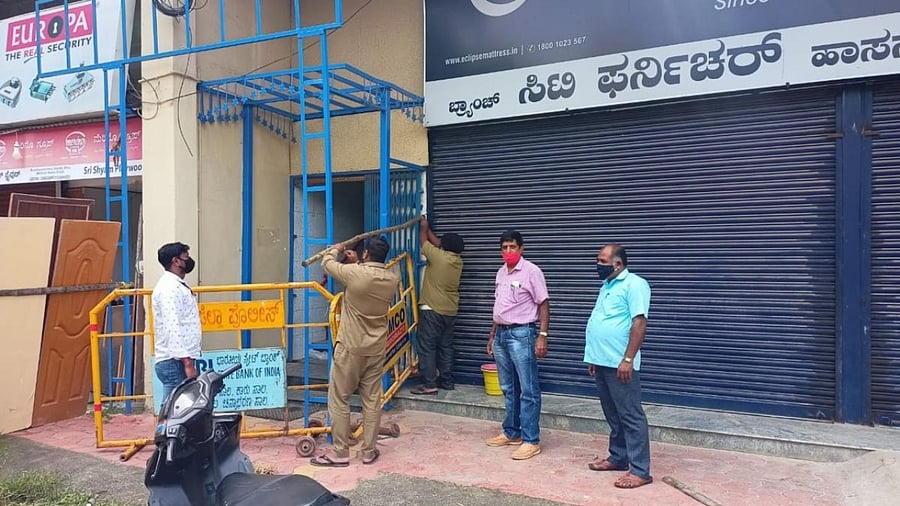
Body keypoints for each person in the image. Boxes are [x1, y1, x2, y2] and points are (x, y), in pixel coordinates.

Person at [311, 237, 400, 467]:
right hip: (376, 347)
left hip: (351, 346)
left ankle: (340, 453)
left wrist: (337, 249)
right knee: (371, 401)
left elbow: (327, 263)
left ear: (366, 254)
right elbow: (366, 278)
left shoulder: (356, 274)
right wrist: (357, 263)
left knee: (340, 398)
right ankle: (368, 451)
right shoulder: (392, 279)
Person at [584, 244, 653, 489]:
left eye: (602, 261)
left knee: (631, 415)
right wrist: (592, 356)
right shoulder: (607, 285)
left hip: (620, 363)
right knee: (613, 413)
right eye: (597, 260)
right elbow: (602, 320)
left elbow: (639, 323)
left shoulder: (635, 284)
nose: (598, 265)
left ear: (618, 264)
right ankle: (618, 456)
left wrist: (628, 359)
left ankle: (640, 470)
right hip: (601, 360)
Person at [485, 229, 549, 461]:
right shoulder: (501, 273)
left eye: (512, 247)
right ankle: (511, 431)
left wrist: (542, 334)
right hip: (502, 334)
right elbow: (499, 307)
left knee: (528, 389)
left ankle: (531, 440)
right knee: (509, 388)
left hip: (523, 334)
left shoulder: (532, 271)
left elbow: (543, 303)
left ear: (521, 249)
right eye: (504, 248)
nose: (508, 251)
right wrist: (492, 335)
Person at [411, 217, 465, 395]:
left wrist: (423, 228)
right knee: (446, 347)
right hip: (450, 311)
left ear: (444, 246)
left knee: (427, 346)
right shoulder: (457, 261)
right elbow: (436, 243)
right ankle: (447, 381)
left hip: (432, 309)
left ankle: (429, 384)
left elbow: (424, 241)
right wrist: (430, 230)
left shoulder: (438, 257)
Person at [152, 242, 202, 404]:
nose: (189, 260)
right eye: (185, 256)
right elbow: (172, 326)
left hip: (177, 360)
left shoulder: (175, 285)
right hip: (175, 361)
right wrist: (187, 362)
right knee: (174, 413)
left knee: (176, 411)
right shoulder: (169, 289)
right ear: (176, 261)